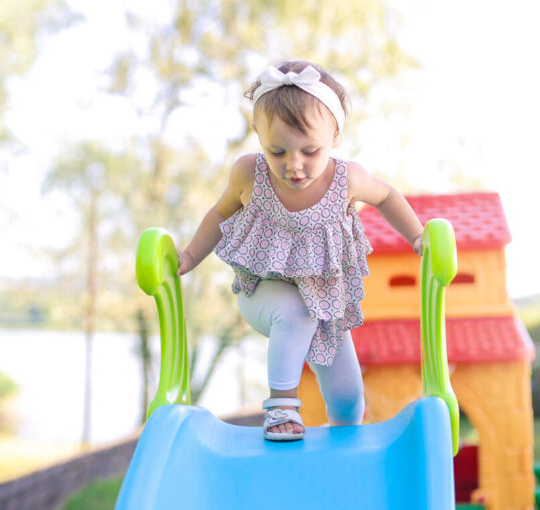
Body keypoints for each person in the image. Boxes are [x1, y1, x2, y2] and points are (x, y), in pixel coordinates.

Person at [177, 60, 424, 441]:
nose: (294, 165)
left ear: (335, 136)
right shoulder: (248, 174)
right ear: (258, 134)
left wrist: (418, 236)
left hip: (324, 301)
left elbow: (388, 196)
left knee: (348, 399)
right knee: (294, 311)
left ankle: (339, 447)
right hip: (263, 292)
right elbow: (218, 215)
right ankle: (281, 409)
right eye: (277, 151)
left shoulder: (348, 180)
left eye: (310, 150)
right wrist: (190, 256)